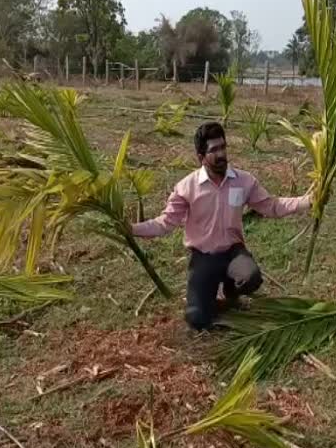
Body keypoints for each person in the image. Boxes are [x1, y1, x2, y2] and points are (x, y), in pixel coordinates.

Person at [132, 122, 311, 330]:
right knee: (197, 319)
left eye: (223, 147)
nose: (221, 154)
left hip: (232, 252)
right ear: (200, 157)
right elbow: (164, 223)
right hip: (204, 257)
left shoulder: (243, 181)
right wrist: (132, 229)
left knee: (251, 277)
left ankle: (230, 292)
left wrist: (307, 201)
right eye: (214, 150)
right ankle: (207, 297)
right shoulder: (186, 188)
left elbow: (271, 206)